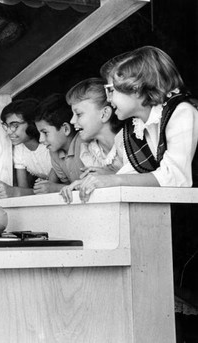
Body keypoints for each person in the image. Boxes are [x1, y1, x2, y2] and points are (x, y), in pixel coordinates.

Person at [64, 46, 198, 342]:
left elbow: (176, 177)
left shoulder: (182, 111)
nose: (108, 97)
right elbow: (131, 172)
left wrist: (113, 181)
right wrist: (98, 177)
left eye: (112, 89)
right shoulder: (138, 126)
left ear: (139, 87)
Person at [60, 77, 125, 203]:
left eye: (78, 114)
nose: (72, 121)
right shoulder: (89, 150)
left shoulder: (127, 142)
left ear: (104, 114)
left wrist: (110, 175)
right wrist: (79, 185)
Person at [0, 98, 52, 198]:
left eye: (14, 125)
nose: (9, 132)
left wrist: (13, 192)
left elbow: (50, 189)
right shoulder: (19, 150)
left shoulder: (49, 145)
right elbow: (24, 190)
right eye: (6, 126)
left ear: (31, 123)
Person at [34, 93, 85, 194]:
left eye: (45, 132)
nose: (40, 139)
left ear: (65, 129)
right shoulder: (54, 154)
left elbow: (95, 185)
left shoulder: (84, 143)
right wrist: (46, 186)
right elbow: (68, 185)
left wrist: (55, 188)